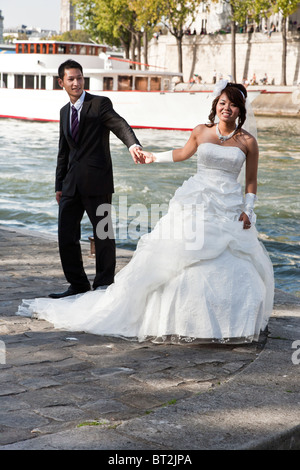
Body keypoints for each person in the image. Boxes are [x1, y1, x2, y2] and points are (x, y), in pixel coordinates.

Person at [18, 80, 274, 345]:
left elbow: (251, 181)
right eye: (223, 103)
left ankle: (228, 323)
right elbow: (182, 153)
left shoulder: (248, 142)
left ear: (240, 109)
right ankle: (182, 320)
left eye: (233, 104)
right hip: (197, 200)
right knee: (178, 257)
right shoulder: (201, 131)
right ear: (215, 105)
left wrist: (248, 209)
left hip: (229, 207)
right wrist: (153, 157)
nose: (227, 108)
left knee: (233, 262)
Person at [49, 59, 142, 299]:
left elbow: (119, 124)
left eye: (79, 78)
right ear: (62, 82)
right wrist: (59, 185)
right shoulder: (63, 112)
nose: (76, 82)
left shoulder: (99, 104)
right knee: (66, 235)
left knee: (103, 233)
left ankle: (103, 283)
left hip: (97, 181)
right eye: (71, 79)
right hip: (71, 184)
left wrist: (132, 145)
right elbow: (64, 151)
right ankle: (77, 284)